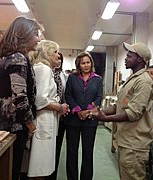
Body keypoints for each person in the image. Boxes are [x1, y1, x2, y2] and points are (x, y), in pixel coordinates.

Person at [0, 16, 43, 180]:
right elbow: (20, 97)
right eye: (35, 34)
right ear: (23, 34)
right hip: (13, 126)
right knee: (10, 171)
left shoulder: (10, 57)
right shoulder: (17, 58)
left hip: (6, 124)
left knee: (6, 171)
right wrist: (31, 123)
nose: (39, 39)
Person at [92, 42, 153, 180]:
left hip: (135, 144)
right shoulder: (132, 79)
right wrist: (98, 111)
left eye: (129, 56)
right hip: (126, 141)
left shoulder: (143, 82)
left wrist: (104, 119)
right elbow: (118, 107)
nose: (126, 58)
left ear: (140, 59)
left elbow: (133, 113)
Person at [27, 40, 69, 179]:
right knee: (40, 167)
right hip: (43, 121)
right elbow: (40, 100)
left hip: (45, 121)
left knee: (41, 166)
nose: (58, 56)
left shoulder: (42, 68)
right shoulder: (43, 70)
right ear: (47, 53)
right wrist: (60, 107)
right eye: (55, 52)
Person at [65, 51, 103, 180]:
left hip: (90, 120)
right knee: (72, 152)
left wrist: (88, 111)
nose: (86, 65)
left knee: (88, 152)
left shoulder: (98, 79)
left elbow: (99, 97)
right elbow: (68, 95)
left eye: (88, 62)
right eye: (83, 63)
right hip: (73, 121)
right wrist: (77, 110)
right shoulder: (72, 77)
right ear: (79, 65)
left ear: (91, 63)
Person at [45, 52, 68, 180]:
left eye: (60, 58)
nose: (58, 61)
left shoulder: (64, 76)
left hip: (61, 118)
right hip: (48, 115)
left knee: (57, 149)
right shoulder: (45, 72)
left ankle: (53, 175)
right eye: (56, 58)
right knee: (47, 151)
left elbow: (66, 94)